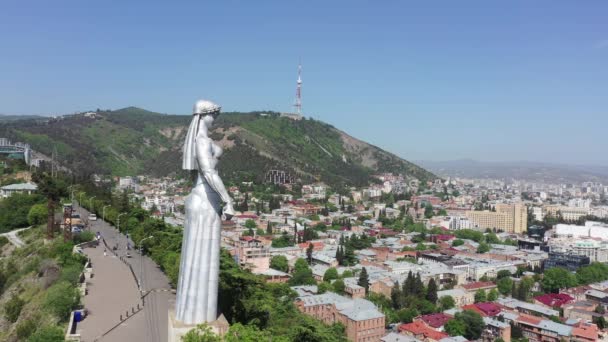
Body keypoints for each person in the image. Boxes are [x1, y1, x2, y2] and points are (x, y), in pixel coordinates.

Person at [175, 100, 235, 324]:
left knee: (199, 258)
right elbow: (209, 173)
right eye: (214, 116)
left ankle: (193, 314)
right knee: (202, 257)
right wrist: (227, 200)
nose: (215, 120)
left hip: (201, 198)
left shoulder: (198, 141)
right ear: (204, 116)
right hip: (205, 202)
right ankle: (198, 321)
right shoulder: (201, 141)